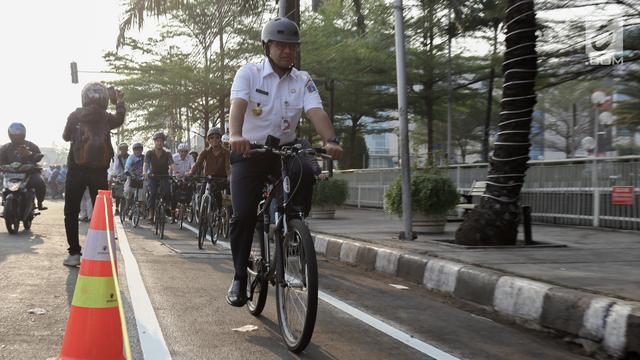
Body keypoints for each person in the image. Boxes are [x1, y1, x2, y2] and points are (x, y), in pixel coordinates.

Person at [225, 18, 343, 307]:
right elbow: (237, 106)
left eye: (292, 47)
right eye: (281, 45)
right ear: (267, 47)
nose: (287, 51)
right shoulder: (249, 74)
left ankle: (291, 228)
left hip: (284, 153)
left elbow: (316, 111)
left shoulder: (303, 80)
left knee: (305, 169)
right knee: (243, 215)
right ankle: (240, 276)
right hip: (250, 152)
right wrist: (236, 135)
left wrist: (331, 140)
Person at [62, 82, 125, 267]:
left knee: (71, 211)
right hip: (99, 171)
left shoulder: (75, 115)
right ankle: (101, 252)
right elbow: (120, 118)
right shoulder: (107, 118)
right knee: (102, 213)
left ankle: (74, 253)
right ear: (105, 99)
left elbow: (65, 136)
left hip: (76, 169)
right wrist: (119, 101)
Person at [0, 123, 48, 210]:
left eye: (18, 135)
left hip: (29, 173)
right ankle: (4, 200)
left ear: (23, 135)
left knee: (39, 183)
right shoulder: (5, 148)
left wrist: (30, 154)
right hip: (9, 174)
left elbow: (38, 156)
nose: (16, 137)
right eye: (14, 135)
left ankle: (40, 203)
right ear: (10, 135)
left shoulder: (31, 145)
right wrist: (3, 166)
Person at [187, 128, 230, 209]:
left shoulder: (226, 152)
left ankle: (222, 213)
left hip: (221, 179)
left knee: (227, 201)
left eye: (217, 137)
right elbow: (197, 164)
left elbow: (227, 165)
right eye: (211, 138)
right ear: (208, 140)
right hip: (208, 179)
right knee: (200, 199)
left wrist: (229, 176)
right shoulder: (205, 152)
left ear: (220, 139)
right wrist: (190, 173)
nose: (214, 140)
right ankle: (203, 217)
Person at [143, 132, 176, 223]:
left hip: (164, 176)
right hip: (152, 176)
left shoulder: (167, 154)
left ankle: (165, 207)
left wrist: (176, 172)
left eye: (161, 141)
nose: (159, 143)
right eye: (157, 141)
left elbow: (172, 163)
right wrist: (145, 172)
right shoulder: (149, 153)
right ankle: (151, 213)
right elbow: (145, 164)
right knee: (152, 194)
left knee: (167, 192)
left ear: (163, 142)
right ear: (154, 142)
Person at [124, 143, 146, 212]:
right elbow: (127, 166)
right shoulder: (131, 157)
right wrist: (129, 172)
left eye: (139, 149)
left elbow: (149, 167)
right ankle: (127, 204)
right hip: (132, 177)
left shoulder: (145, 158)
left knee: (142, 194)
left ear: (142, 150)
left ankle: (142, 209)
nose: (137, 151)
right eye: (136, 150)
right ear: (133, 150)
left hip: (142, 178)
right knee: (128, 191)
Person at [110, 143, 129, 214]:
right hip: (119, 177)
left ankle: (126, 209)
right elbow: (114, 167)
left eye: (125, 149)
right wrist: (114, 175)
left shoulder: (130, 157)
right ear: (120, 150)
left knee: (127, 194)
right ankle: (117, 208)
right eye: (122, 149)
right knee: (118, 194)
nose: (123, 150)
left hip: (128, 177)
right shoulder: (117, 157)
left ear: (127, 149)